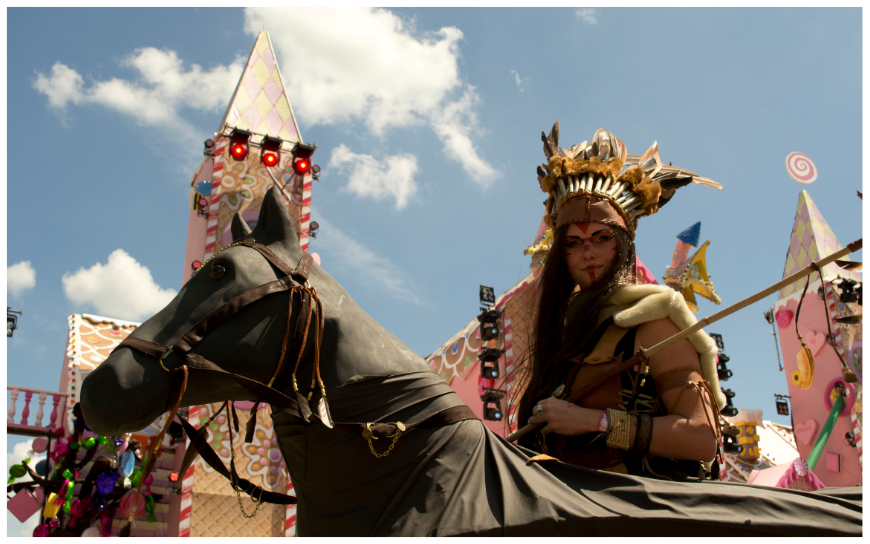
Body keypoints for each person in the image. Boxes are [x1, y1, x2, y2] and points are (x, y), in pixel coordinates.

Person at [515, 123, 726, 480]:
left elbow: (701, 438)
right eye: (573, 243)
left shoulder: (654, 320)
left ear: (623, 244)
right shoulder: (565, 331)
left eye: (601, 238)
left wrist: (592, 421)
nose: (588, 253)